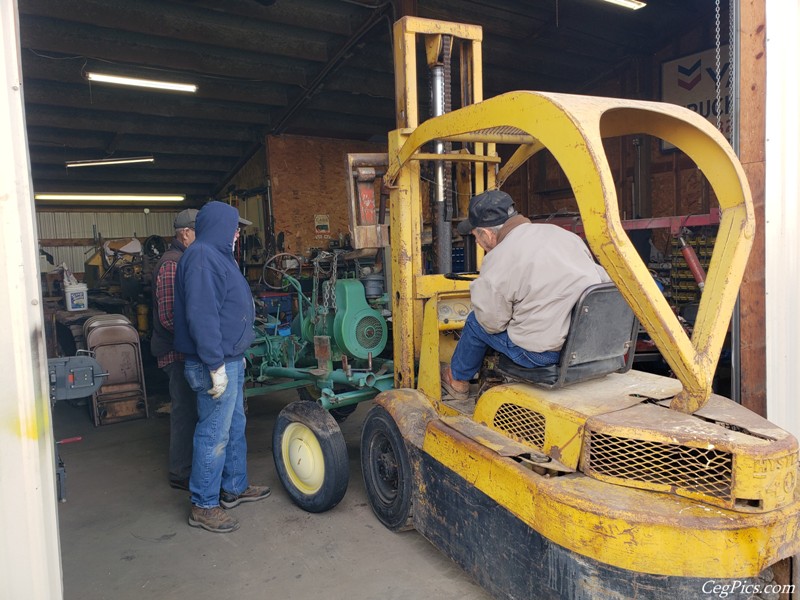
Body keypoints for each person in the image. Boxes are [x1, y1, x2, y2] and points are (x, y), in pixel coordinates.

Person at [441, 189, 610, 400]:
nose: (476, 241)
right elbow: (602, 282)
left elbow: (492, 323)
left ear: (487, 234)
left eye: (475, 235)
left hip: (541, 356)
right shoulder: (565, 236)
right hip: (586, 346)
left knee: (476, 321)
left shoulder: (500, 257)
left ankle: (457, 380)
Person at [173, 201, 269, 533]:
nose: (238, 233)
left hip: (229, 359)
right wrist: (216, 364)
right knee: (214, 432)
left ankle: (234, 486)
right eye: (235, 226)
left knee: (233, 426)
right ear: (218, 225)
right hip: (213, 363)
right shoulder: (201, 257)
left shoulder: (217, 256)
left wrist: (234, 353)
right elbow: (202, 317)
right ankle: (203, 504)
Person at [150, 208, 198, 492]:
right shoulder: (172, 264)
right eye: (197, 231)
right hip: (175, 351)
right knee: (184, 410)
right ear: (185, 233)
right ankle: (180, 471)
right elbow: (169, 318)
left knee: (189, 409)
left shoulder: (185, 259)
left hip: (184, 348)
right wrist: (201, 338)